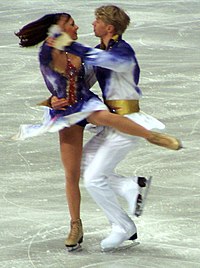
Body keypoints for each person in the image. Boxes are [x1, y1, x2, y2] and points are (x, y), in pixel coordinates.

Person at [15, 12, 181, 252]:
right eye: (72, 24)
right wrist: (53, 100)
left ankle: (146, 151)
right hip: (87, 115)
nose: (86, 25)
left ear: (110, 28)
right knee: (80, 170)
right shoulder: (76, 51)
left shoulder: (118, 53)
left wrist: (66, 43)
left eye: (97, 22)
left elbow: (97, 62)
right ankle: (110, 203)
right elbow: (72, 81)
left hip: (113, 114)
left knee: (93, 177)